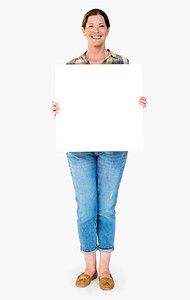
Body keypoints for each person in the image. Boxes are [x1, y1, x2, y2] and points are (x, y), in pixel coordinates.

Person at [51, 8, 147, 291]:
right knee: (85, 209)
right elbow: (68, 106)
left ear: (107, 30)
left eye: (101, 25)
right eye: (90, 25)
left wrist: (138, 104)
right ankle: (88, 268)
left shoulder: (122, 63)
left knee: (106, 208)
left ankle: (105, 269)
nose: (96, 30)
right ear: (83, 30)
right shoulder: (71, 68)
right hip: (79, 147)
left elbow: (129, 101)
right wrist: (59, 109)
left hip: (113, 147)